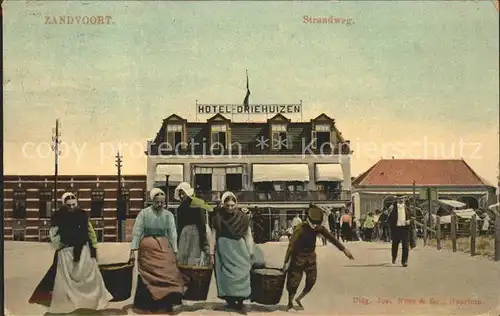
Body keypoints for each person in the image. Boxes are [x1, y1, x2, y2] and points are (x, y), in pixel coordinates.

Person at [29, 192, 99, 307]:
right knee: (59, 274)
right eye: (68, 205)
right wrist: (60, 244)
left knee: (82, 275)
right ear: (64, 204)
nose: (71, 207)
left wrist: (94, 248)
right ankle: (46, 296)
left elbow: (90, 232)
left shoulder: (81, 215)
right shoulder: (59, 216)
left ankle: (81, 299)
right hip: (65, 250)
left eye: (73, 204)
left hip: (81, 249)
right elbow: (53, 233)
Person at [283, 205, 354, 311]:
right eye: (314, 224)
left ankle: (299, 298)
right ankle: (290, 302)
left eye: (318, 224)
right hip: (297, 257)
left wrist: (344, 250)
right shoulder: (300, 229)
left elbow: (331, 238)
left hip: (311, 258)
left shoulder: (319, 227)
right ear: (308, 220)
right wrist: (286, 261)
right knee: (294, 282)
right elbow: (291, 246)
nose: (316, 226)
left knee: (312, 280)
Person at [129, 188, 186, 314]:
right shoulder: (144, 214)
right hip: (148, 247)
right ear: (152, 201)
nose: (159, 205)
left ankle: (166, 303)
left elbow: (172, 233)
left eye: (162, 202)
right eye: (157, 202)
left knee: (169, 272)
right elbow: (137, 232)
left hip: (164, 246)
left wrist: (175, 250)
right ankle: (146, 305)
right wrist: (133, 250)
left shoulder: (168, 215)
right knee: (147, 275)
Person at [47, 203, 112, 313]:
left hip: (75, 253)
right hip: (78, 252)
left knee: (71, 281)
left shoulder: (63, 218)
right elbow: (89, 234)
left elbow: (55, 240)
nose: (71, 205)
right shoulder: (77, 217)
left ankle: (76, 304)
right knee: (86, 278)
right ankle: (86, 303)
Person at [211, 191, 254, 311]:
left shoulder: (243, 217)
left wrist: (250, 251)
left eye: (232, 205)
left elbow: (248, 235)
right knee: (225, 276)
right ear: (223, 205)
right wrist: (211, 251)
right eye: (227, 205)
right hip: (223, 249)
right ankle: (230, 300)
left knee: (242, 271)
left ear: (236, 204)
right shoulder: (218, 217)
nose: (230, 208)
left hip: (239, 248)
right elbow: (213, 235)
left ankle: (240, 300)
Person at [174, 182, 214, 266]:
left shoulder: (197, 204)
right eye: (180, 194)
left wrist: (203, 242)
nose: (181, 196)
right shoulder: (180, 207)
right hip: (184, 235)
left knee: (193, 257)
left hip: (196, 233)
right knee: (184, 257)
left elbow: (202, 223)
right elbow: (179, 225)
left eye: (183, 193)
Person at [388, 197, 413, 267]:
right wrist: (392, 226)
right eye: (399, 199)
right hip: (396, 229)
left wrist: (409, 221)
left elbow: (412, 217)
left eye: (402, 199)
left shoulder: (408, 208)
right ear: (396, 200)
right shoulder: (392, 208)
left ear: (404, 199)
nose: (401, 200)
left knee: (406, 246)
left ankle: (404, 261)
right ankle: (394, 257)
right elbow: (389, 219)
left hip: (405, 229)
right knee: (395, 245)